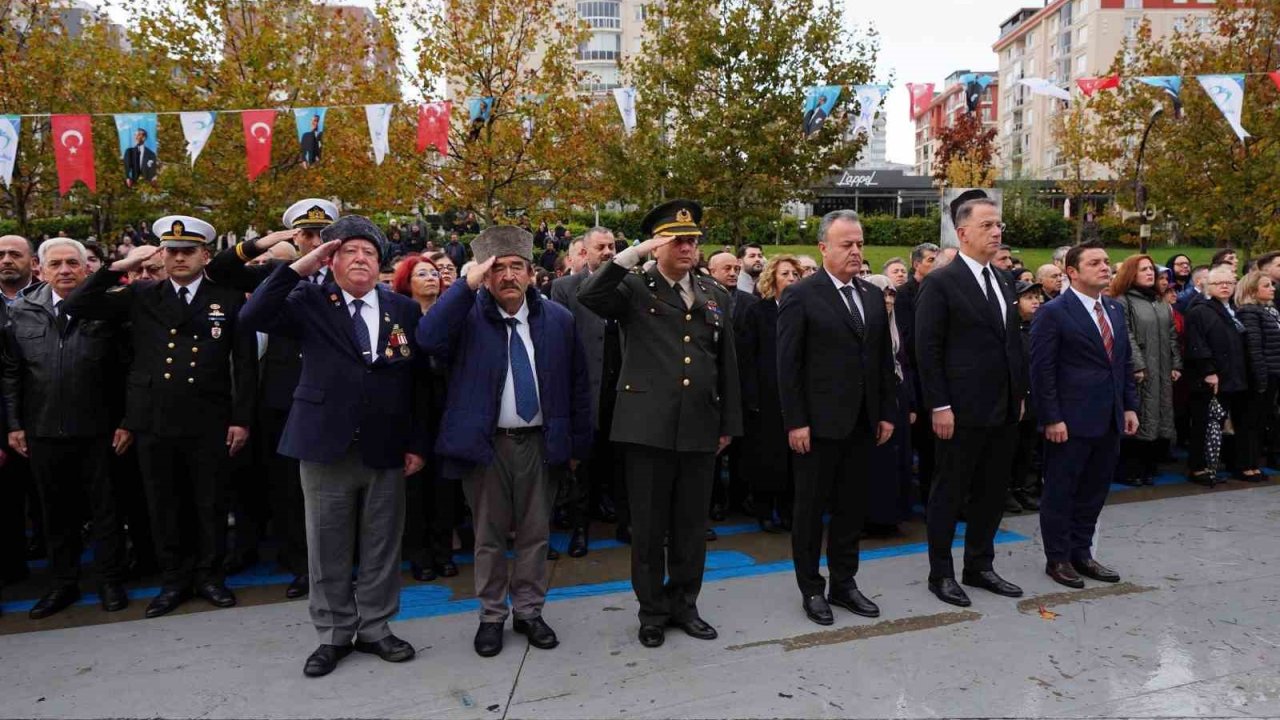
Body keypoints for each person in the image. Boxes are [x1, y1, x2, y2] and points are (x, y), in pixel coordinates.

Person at [240, 215, 431, 677]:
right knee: (327, 545)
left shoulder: (400, 309)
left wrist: (416, 442)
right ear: (331, 260)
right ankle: (332, 633)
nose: (361, 258)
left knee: (382, 543)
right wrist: (303, 265)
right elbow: (252, 315)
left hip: (385, 444)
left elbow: (417, 382)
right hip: (325, 442)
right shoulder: (309, 299)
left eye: (369, 252)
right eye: (349, 251)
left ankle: (376, 628)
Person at [62, 216, 256, 618]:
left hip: (210, 416)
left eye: (188, 251)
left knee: (210, 502)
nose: (179, 258)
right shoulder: (142, 294)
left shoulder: (229, 296)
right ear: (161, 254)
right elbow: (77, 305)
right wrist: (119, 266)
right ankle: (174, 580)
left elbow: (245, 365)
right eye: (172, 251)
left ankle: (209, 576)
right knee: (164, 504)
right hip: (155, 418)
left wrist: (241, 418)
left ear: (205, 255)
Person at [577, 199, 742, 649]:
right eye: (678, 240)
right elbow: (589, 296)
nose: (688, 247)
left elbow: (725, 362)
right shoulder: (634, 287)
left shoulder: (714, 293)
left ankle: (685, 604)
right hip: (646, 428)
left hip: (699, 426)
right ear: (659, 244)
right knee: (649, 528)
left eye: (693, 240)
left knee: (691, 526)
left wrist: (728, 422)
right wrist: (635, 253)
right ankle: (651, 611)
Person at [419, 226, 590, 657]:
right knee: (489, 535)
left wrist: (575, 447)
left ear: (532, 273)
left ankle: (529, 611)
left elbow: (578, 385)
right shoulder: (466, 317)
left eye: (517, 267)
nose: (509, 276)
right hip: (485, 445)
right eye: (498, 269)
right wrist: (466, 284)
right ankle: (491, 615)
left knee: (535, 534)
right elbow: (428, 338)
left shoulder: (557, 319)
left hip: (539, 443)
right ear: (484, 276)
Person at [777, 210, 896, 626]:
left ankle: (845, 583)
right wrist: (796, 421)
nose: (856, 251)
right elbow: (788, 365)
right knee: (810, 512)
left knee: (851, 508)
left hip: (863, 424)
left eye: (860, 243)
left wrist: (884, 413)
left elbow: (881, 360)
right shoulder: (801, 295)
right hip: (817, 425)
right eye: (847, 244)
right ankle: (811, 588)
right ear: (823, 247)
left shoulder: (870, 295)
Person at [1, 239, 131, 619]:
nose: (65, 270)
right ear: (40, 270)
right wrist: (13, 425)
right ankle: (63, 584)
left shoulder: (108, 307)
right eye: (55, 263)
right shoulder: (21, 312)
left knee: (106, 511)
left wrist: (126, 421)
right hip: (42, 431)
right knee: (56, 514)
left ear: (86, 268)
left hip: (100, 429)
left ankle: (110, 580)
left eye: (72, 262)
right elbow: (12, 373)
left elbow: (128, 368)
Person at [915, 197, 1027, 608]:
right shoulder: (941, 282)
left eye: (999, 225)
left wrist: (1018, 395)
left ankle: (979, 564)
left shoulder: (1003, 280)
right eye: (987, 226)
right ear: (962, 234)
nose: (997, 232)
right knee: (950, 491)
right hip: (959, 411)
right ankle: (941, 572)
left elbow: (1011, 344)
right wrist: (939, 405)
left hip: (1001, 408)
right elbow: (927, 348)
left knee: (992, 491)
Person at [1031, 242, 1139, 588]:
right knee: (1061, 491)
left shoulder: (1114, 309)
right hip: (1069, 420)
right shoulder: (1054, 312)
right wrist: (1051, 417)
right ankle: (1058, 558)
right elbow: (1042, 369)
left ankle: (1082, 553)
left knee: (1094, 491)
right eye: (1095, 262)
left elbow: (1121, 363)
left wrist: (1129, 405)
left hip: (1108, 417)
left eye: (1107, 261)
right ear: (1072, 272)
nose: (1105, 267)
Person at [550, 227, 624, 555]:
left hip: (623, 390)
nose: (608, 252)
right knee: (583, 467)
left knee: (623, 464)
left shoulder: (631, 286)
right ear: (585, 252)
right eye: (601, 247)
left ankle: (627, 524)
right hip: (585, 391)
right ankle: (580, 531)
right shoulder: (565, 287)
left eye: (612, 246)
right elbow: (561, 341)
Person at [738, 255, 800, 534]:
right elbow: (747, 358)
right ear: (772, 278)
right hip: (765, 396)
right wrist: (751, 397)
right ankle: (764, 510)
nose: (791, 278)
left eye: (795, 274)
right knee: (766, 456)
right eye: (785, 273)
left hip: (795, 395)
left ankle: (788, 511)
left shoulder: (803, 310)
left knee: (792, 458)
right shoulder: (757, 312)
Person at [1110, 255, 1182, 486]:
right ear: (1131, 273)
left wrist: (1175, 363)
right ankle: (1129, 469)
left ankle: (1149, 466)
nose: (1150, 273)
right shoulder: (1123, 301)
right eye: (1143, 269)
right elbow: (1125, 334)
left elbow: (1171, 335)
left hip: (1161, 369)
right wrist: (1137, 364)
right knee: (1138, 416)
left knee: (1158, 415)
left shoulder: (1160, 302)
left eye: (1151, 269)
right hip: (1141, 370)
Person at [1183, 265, 1247, 486]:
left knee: (1222, 424)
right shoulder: (1200, 310)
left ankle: (1217, 464)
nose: (1225, 287)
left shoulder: (1232, 309)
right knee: (1203, 423)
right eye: (1219, 283)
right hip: (1209, 378)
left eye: (1229, 283)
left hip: (1231, 376)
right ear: (1208, 286)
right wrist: (1208, 371)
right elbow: (1197, 344)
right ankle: (1198, 467)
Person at [862, 274, 915, 537]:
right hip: (874, 401)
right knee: (875, 464)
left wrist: (911, 402)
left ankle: (893, 516)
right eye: (882, 294)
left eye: (892, 294)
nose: (888, 299)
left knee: (898, 460)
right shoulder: (866, 326)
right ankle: (871, 519)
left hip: (898, 397)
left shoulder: (896, 325)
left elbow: (904, 363)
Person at [1234, 270, 1279, 481]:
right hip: (1259, 376)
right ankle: (1245, 465)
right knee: (1249, 422)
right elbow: (1254, 347)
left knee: (1259, 422)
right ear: (1252, 290)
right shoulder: (1249, 312)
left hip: (1271, 373)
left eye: (1272, 285)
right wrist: (1261, 378)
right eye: (1266, 285)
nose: (1272, 288)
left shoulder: (1267, 311)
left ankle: (1253, 464)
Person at [1009, 280, 1043, 512]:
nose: (1035, 302)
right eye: (1029, 298)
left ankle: (1025, 488)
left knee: (1030, 448)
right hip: (1017, 398)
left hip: (1037, 397)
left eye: (1037, 297)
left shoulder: (1040, 328)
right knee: (1012, 447)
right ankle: (1007, 490)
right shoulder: (1011, 330)